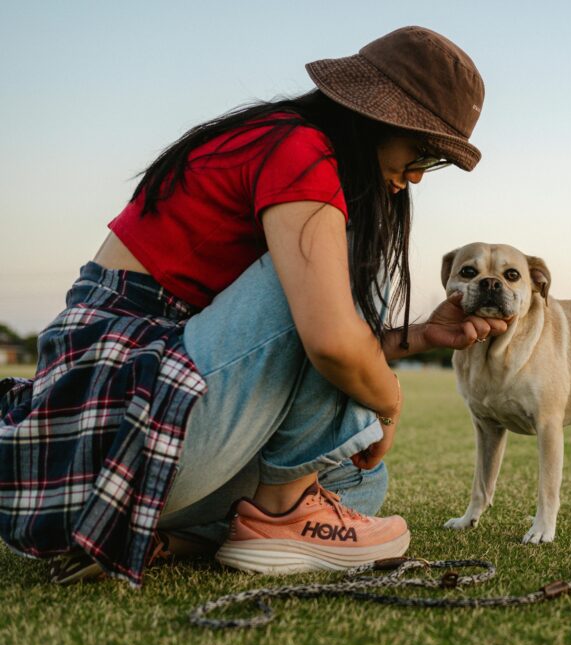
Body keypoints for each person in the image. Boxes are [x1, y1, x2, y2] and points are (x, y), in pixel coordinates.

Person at [0, 26, 507, 586]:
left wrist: (415, 339)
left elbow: (280, 346)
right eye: (423, 154)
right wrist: (390, 401)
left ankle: (171, 537)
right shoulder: (300, 149)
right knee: (349, 266)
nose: (414, 176)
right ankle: (279, 516)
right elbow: (332, 343)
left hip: (128, 442)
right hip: (97, 433)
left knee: (359, 480)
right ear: (380, 118)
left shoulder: (284, 144)